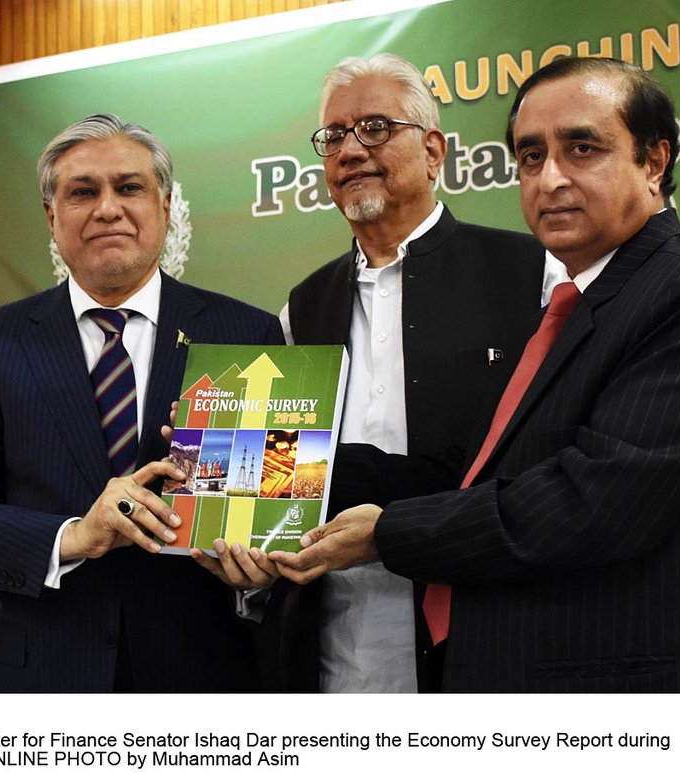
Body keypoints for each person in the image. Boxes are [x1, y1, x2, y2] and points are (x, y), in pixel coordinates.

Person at [274, 56, 680, 692]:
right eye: (530, 157)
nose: (551, 178)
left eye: (582, 148)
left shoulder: (674, 288)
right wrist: (246, 462)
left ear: (655, 160)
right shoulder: (580, 300)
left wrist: (387, 533)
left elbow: (595, 498)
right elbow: (468, 473)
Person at [196, 54, 550, 693]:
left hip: (486, 653)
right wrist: (241, 545)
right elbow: (271, 495)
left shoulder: (533, 276)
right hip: (329, 662)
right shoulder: (300, 309)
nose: (352, 149)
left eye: (377, 128)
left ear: (435, 149)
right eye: (334, 137)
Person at [0, 114, 284, 692]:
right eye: (82, 192)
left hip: (202, 682)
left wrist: (257, 573)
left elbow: (270, 518)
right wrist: (72, 536)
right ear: (52, 216)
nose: (107, 208)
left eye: (129, 187)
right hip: (42, 686)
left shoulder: (246, 334)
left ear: (165, 206)